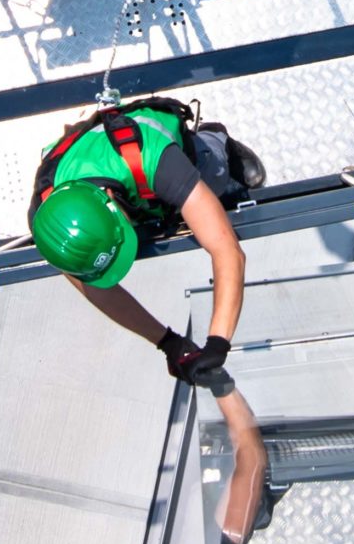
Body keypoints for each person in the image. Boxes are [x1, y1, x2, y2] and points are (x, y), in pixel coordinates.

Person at [28, 96, 263, 386]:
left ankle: (217, 138)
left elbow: (227, 250)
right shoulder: (53, 227)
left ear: (111, 201)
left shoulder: (152, 156)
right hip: (123, 185)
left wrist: (218, 342)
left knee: (213, 174)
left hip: (154, 161)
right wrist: (168, 343)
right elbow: (98, 289)